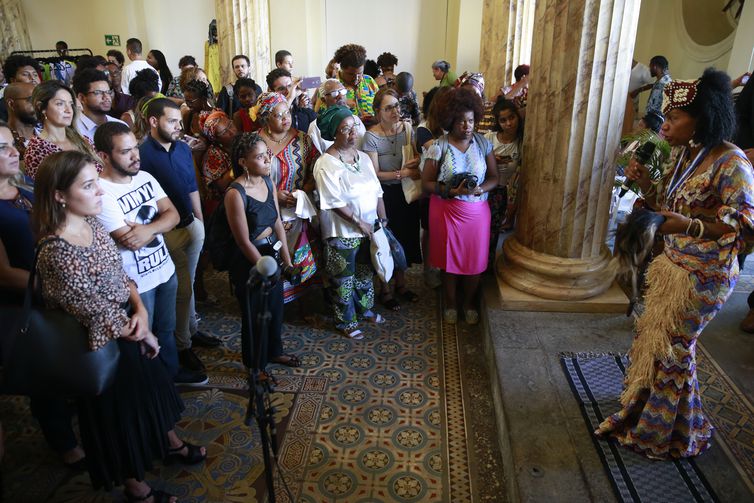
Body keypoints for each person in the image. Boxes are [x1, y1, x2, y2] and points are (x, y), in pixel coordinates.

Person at [595, 69, 754, 459]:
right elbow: (667, 206)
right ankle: (664, 418)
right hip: (674, 266)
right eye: (665, 117)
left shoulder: (731, 164)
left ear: (701, 118)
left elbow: (746, 227)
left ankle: (661, 432)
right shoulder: (689, 154)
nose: (664, 126)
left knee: (673, 348)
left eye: (674, 118)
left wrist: (692, 226)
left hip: (707, 276)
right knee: (660, 343)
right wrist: (647, 185)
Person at [32, 150, 207, 501]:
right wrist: (141, 329)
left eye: (97, 183)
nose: (99, 192)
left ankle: (169, 445)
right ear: (59, 195)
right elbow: (91, 311)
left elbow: (121, 274)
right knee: (121, 418)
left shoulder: (93, 223)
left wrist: (140, 307)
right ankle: (137, 488)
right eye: (88, 186)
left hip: (128, 322)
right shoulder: (55, 249)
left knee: (152, 394)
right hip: (101, 345)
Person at [94, 122, 208, 386]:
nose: (136, 156)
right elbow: (129, 240)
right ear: (104, 156)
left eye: (136, 148)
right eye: (126, 152)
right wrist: (157, 226)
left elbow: (174, 215)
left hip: (163, 268)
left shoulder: (145, 178)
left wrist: (147, 229)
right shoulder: (102, 192)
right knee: (144, 336)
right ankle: (152, 389)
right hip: (137, 280)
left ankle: (169, 378)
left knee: (166, 331)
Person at [0, 121, 86, 471]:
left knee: (71, 359)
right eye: (3, 148)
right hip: (26, 297)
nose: (13, 152)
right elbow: (4, 273)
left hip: (56, 288)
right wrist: (55, 286)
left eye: (11, 145)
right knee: (43, 369)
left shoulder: (24, 187)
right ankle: (62, 440)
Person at [140, 98, 220, 375]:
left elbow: (191, 186)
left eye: (178, 121)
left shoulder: (182, 149)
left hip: (191, 225)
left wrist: (200, 221)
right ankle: (183, 345)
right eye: (172, 121)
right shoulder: (142, 155)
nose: (178, 126)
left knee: (192, 284)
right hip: (167, 232)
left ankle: (191, 330)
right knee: (182, 291)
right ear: (153, 121)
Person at [421, 87, 498, 325]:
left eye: (471, 121)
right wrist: (450, 191)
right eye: (462, 122)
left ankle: (469, 303)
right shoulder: (438, 146)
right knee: (449, 260)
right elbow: (426, 183)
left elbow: (494, 177)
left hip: (477, 211)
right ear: (450, 121)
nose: (467, 126)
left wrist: (479, 189)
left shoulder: (483, 144)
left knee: (475, 260)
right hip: (446, 210)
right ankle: (452, 303)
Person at [226, 132, 301, 369]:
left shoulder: (268, 182)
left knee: (275, 309)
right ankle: (256, 366)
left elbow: (277, 222)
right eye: (260, 157)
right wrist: (265, 269)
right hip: (251, 260)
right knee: (255, 315)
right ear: (243, 162)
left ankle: (274, 352)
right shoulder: (235, 193)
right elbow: (242, 242)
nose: (268, 161)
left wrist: (287, 262)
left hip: (272, 254)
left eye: (267, 155)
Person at [313, 105, 387, 338]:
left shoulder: (363, 157)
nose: (352, 133)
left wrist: (381, 217)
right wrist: (359, 222)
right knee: (342, 279)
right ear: (334, 134)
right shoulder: (326, 163)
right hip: (342, 232)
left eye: (353, 126)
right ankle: (345, 322)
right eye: (345, 129)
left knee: (365, 273)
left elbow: (377, 190)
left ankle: (364, 309)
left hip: (368, 229)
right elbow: (333, 201)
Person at [256, 92, 320, 302]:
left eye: (288, 112)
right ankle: (275, 301)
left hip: (297, 208)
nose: (286, 118)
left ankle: (302, 301)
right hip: (267, 210)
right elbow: (249, 178)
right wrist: (275, 194)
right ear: (266, 117)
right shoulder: (256, 142)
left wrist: (301, 192)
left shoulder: (303, 139)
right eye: (279, 115)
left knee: (300, 253)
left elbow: (315, 171)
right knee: (272, 254)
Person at [363, 88, 421, 310]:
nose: (395, 111)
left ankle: (401, 284)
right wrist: (401, 173)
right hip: (384, 196)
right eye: (388, 108)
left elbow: (415, 156)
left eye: (397, 106)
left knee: (404, 240)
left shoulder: (407, 129)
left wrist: (415, 164)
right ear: (378, 111)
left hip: (407, 193)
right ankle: (385, 289)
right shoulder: (371, 136)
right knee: (385, 241)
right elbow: (374, 173)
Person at [24, 80, 101, 180]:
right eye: (60, 104)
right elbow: (45, 191)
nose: (68, 110)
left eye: (70, 104)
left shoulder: (82, 139)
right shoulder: (36, 150)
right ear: (41, 107)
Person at [183, 79, 237, 214]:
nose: (188, 104)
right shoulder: (189, 115)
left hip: (211, 162)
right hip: (199, 161)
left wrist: (204, 144)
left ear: (202, 99)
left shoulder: (215, 116)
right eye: (186, 100)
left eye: (191, 101)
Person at [485, 98, 524, 267]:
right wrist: (492, 161)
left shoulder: (522, 142)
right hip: (483, 188)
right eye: (503, 120)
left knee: (493, 232)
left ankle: (486, 265)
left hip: (500, 192)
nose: (508, 123)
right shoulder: (489, 138)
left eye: (511, 118)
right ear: (498, 122)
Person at [309, 78, 366, 154]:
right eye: (334, 93)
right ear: (323, 99)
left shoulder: (356, 120)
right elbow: (315, 157)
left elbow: (364, 147)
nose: (340, 96)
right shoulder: (316, 126)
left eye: (342, 91)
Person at [73, 68, 127, 139]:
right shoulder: (74, 130)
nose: (106, 97)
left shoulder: (120, 126)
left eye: (108, 92)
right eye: (98, 92)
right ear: (82, 98)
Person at [333, 44, 379, 127]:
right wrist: (355, 121)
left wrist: (376, 118)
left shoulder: (369, 81)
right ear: (342, 69)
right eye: (351, 74)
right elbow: (323, 119)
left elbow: (381, 107)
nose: (356, 78)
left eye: (360, 73)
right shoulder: (332, 87)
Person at [266, 68, 317, 133]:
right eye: (281, 88)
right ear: (271, 91)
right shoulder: (268, 113)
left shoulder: (306, 112)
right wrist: (290, 98)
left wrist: (301, 92)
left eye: (289, 86)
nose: (288, 91)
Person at [0, 55, 41, 123]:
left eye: (35, 75)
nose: (33, 78)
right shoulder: (3, 105)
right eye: (25, 74)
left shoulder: (45, 98)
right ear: (13, 80)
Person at [4, 82, 38, 160]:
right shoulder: (3, 140)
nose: (38, 106)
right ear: (11, 104)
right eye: (31, 100)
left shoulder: (47, 132)